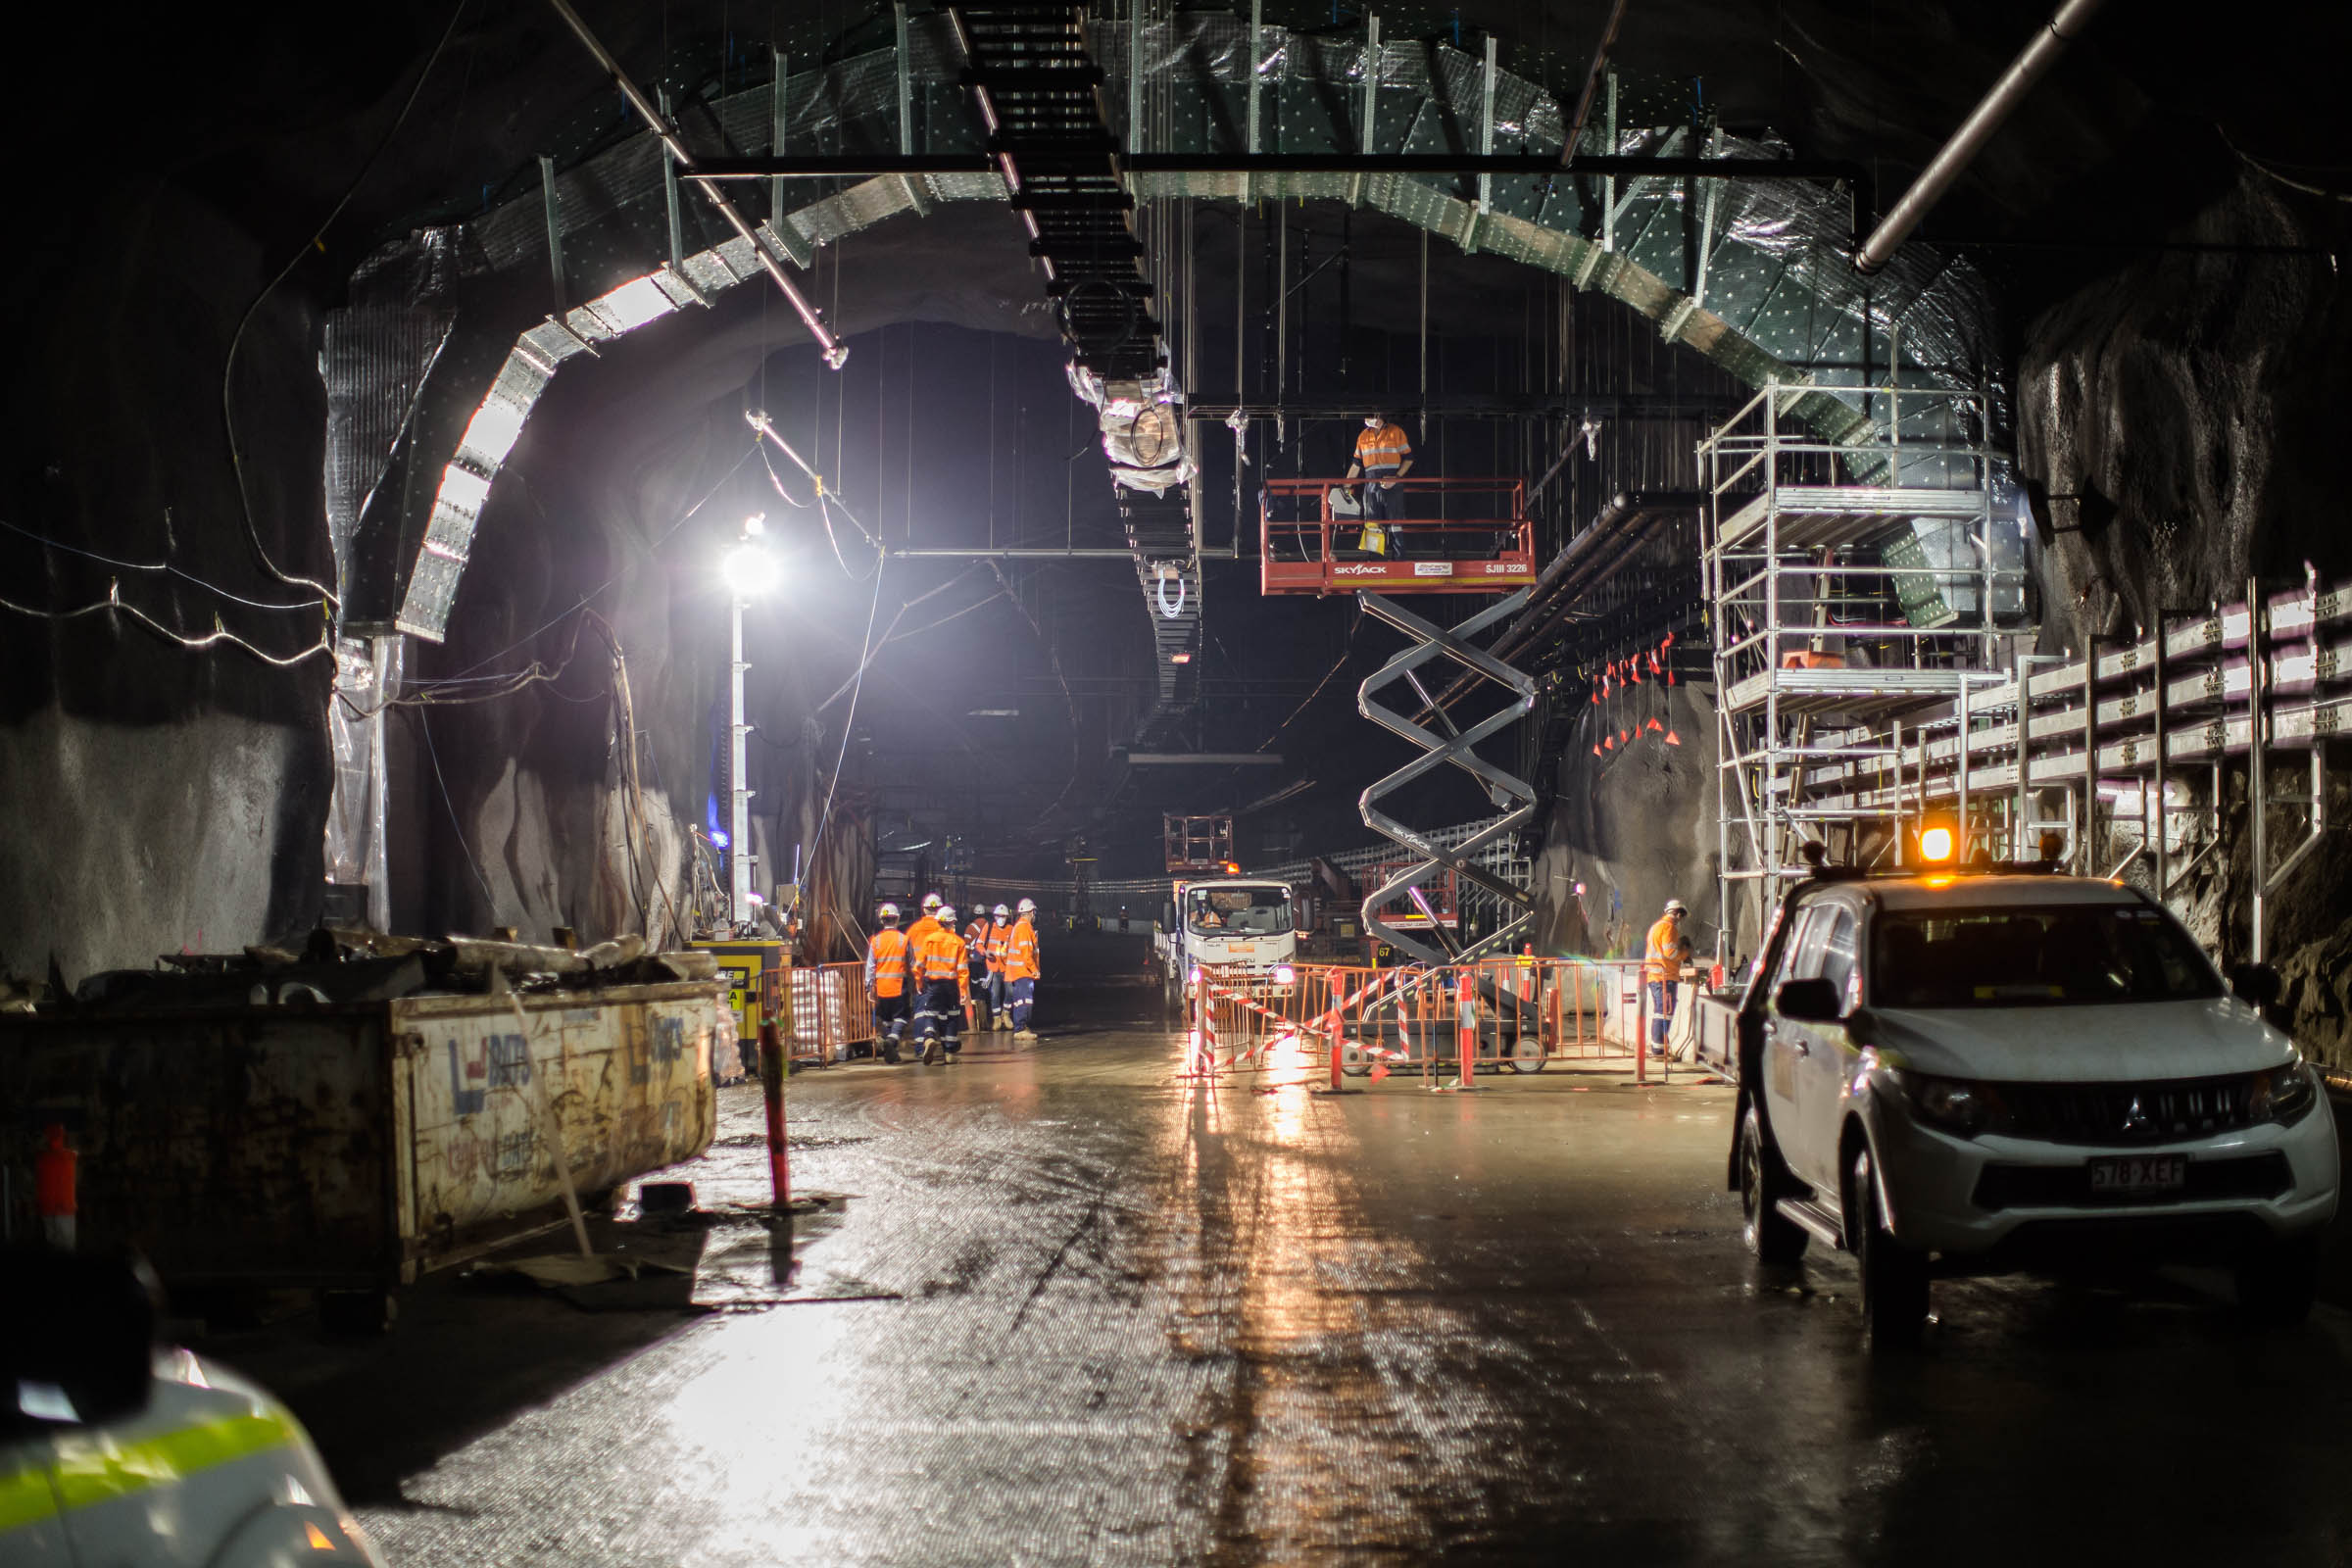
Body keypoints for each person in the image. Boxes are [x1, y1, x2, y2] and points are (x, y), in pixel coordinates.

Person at [1345, 413, 1414, 553]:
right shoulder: (1363, 436)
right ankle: (1375, 561)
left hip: (1392, 483)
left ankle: (1399, 560)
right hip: (1371, 483)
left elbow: (1409, 459)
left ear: (1378, 416)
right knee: (1372, 523)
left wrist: (1396, 478)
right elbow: (1356, 465)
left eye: (1368, 416)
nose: (1365, 419)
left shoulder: (1395, 431)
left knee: (1395, 522)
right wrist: (1345, 487)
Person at [914, 905, 970, 1064]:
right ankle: (949, 1053)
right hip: (951, 985)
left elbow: (919, 965)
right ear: (952, 922)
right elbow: (962, 969)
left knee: (931, 1013)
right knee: (952, 1017)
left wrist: (919, 982)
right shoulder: (958, 942)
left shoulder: (929, 940)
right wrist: (963, 990)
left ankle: (930, 1037)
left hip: (933, 984)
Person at [1643, 898, 1694, 1060]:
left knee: (1661, 1012)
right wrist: (1685, 954)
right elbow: (1670, 953)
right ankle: (1659, 1051)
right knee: (1664, 1013)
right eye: (1681, 916)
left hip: (1655, 976)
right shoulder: (1669, 928)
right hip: (1664, 977)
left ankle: (1659, 1048)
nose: (1681, 920)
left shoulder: (1656, 926)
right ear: (1678, 914)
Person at [864, 904, 912, 1064]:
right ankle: (891, 1042)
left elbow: (870, 966)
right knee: (902, 1017)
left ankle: (892, 1051)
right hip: (899, 985)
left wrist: (868, 987)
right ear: (897, 918)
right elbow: (913, 963)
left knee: (886, 1019)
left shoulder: (875, 941)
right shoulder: (903, 939)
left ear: (881, 920)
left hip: (882, 987)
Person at [1003, 897, 1042, 1042]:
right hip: (1023, 971)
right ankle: (1020, 1029)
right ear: (1031, 912)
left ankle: (1022, 1027)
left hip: (1018, 971)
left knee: (1021, 1000)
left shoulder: (1019, 927)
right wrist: (1034, 969)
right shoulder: (1024, 928)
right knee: (1024, 1001)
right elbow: (1026, 953)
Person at [963, 907, 997, 1031]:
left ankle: (976, 1023)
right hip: (987, 962)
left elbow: (966, 947)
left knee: (974, 991)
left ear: (974, 914)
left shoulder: (970, 928)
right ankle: (985, 1022)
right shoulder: (990, 926)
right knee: (985, 990)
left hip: (973, 963)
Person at [987, 904, 1015, 1029]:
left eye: (1003, 916)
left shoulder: (1011, 929)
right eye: (999, 916)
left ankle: (1006, 1014)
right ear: (994, 916)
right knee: (994, 993)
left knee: (1010, 991)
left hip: (1007, 967)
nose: (1001, 918)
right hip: (993, 967)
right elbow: (979, 945)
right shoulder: (989, 928)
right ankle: (996, 1018)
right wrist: (985, 952)